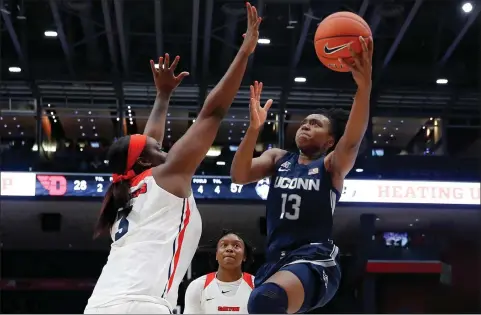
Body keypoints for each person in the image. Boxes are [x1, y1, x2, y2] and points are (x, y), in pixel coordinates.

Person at [84, 3, 262, 314]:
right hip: (142, 306)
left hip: (99, 304)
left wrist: (163, 96)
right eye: (157, 147)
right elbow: (213, 112)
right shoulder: (163, 179)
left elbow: (146, 144)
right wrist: (244, 53)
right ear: (143, 162)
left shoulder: (124, 198)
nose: (163, 145)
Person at [230, 36, 373, 314]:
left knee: (266, 299)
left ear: (330, 141)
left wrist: (364, 87)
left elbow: (353, 140)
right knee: (262, 302)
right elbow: (239, 174)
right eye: (304, 122)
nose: (305, 126)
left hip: (315, 259)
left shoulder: (331, 165)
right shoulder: (278, 158)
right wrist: (253, 129)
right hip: (277, 260)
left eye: (315, 124)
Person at [183, 231, 255, 314]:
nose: (230, 249)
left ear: (244, 256)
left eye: (236, 245)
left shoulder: (256, 285)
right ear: (216, 255)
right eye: (224, 245)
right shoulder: (197, 286)